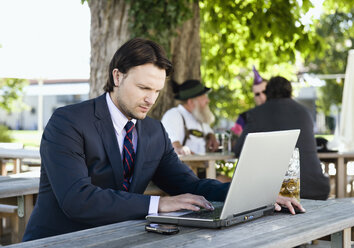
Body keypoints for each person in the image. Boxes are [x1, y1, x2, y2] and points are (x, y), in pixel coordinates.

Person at [23, 38, 304, 241]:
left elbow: (188, 184)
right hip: (60, 240)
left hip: (119, 238)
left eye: (157, 90)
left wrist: (253, 194)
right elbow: (77, 199)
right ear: (117, 76)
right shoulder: (68, 122)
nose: (150, 99)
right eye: (144, 87)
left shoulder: (153, 131)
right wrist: (157, 204)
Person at [233, 76, 330, 200]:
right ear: (290, 92)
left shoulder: (257, 113)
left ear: (268, 93)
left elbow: (239, 149)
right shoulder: (305, 112)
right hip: (317, 188)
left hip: (283, 193)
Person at [161, 79, 219, 155]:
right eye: (203, 96)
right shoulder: (174, 115)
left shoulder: (199, 116)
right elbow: (172, 147)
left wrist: (211, 136)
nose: (207, 100)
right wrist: (181, 149)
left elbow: (208, 131)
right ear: (190, 102)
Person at [231, 66, 268, 136]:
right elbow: (234, 140)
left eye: (265, 92)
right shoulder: (244, 117)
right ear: (254, 97)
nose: (261, 96)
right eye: (257, 94)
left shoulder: (280, 113)